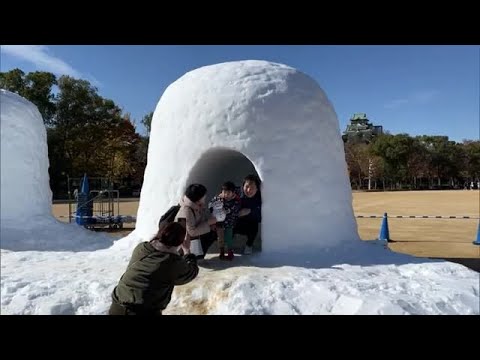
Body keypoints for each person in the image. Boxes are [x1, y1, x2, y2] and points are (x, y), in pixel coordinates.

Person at [109, 222, 199, 315]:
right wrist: (187, 252)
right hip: (142, 311)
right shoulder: (171, 263)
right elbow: (190, 272)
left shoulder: (142, 248)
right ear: (180, 242)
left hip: (117, 306)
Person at [175, 183, 217, 258]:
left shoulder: (196, 205)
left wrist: (210, 224)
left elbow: (198, 220)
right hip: (186, 244)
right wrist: (209, 223)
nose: (205, 196)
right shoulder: (186, 210)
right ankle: (195, 256)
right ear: (198, 198)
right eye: (203, 195)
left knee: (214, 232)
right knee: (211, 235)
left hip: (194, 237)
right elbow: (192, 232)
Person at [208, 181, 242, 260]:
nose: (226, 194)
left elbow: (236, 209)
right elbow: (210, 204)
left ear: (233, 193)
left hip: (230, 223)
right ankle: (222, 252)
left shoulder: (236, 200)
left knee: (229, 238)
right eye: (224, 192)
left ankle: (230, 252)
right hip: (219, 223)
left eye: (228, 193)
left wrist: (226, 210)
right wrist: (212, 208)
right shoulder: (217, 198)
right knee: (220, 238)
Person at [234, 174, 262, 255]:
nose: (249, 190)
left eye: (252, 187)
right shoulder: (236, 193)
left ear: (257, 189)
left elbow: (262, 216)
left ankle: (249, 244)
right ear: (243, 186)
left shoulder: (260, 197)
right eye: (247, 186)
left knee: (254, 227)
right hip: (237, 221)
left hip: (250, 222)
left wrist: (250, 211)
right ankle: (229, 243)